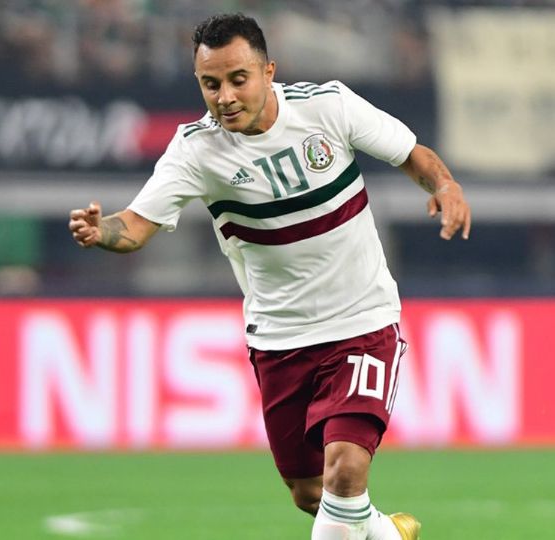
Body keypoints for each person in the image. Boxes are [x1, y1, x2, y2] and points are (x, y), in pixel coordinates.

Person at [69, 13, 471, 540]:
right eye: (211, 84)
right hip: (280, 340)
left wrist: (445, 186)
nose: (225, 97)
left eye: (238, 79)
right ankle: (388, 534)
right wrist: (101, 232)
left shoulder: (328, 107)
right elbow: (135, 226)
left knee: (346, 469)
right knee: (311, 493)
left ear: (268, 71)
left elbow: (412, 154)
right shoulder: (196, 150)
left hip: (362, 323)